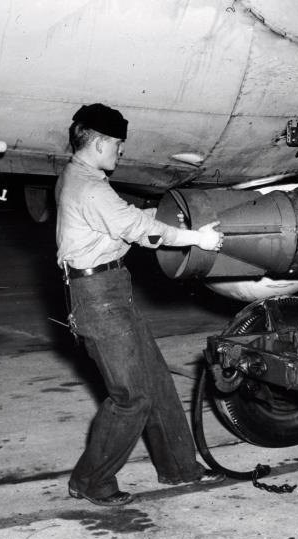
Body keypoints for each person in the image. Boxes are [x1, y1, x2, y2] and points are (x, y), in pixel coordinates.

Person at [56, 103, 226, 506]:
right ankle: (89, 480)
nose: (120, 151)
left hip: (110, 289)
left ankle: (179, 467)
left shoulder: (74, 175)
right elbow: (135, 228)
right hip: (98, 299)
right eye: (117, 144)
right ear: (98, 143)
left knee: (155, 380)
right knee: (131, 396)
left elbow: (123, 217)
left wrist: (172, 220)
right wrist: (195, 240)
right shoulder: (91, 187)